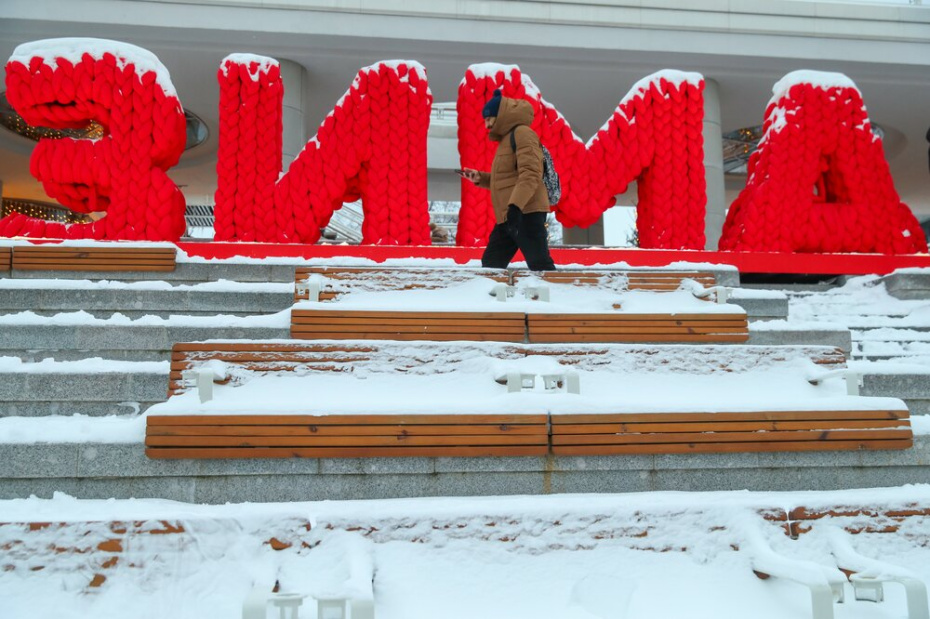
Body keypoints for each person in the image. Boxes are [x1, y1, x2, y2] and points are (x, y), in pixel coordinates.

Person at [460, 89, 556, 271]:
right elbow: (507, 179)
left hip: (526, 211)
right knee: (491, 265)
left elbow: (530, 173)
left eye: (489, 119)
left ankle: (557, 297)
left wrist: (516, 206)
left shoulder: (523, 133)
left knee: (539, 265)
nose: (486, 125)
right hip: (509, 215)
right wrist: (480, 177)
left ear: (501, 115)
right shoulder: (506, 140)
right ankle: (491, 298)